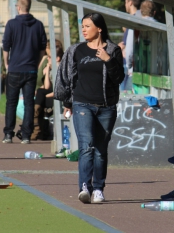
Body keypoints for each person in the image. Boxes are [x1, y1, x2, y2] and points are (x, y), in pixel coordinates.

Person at [54, 12, 125, 204]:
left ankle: (99, 189)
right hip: (82, 104)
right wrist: (67, 103)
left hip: (106, 107)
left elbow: (119, 78)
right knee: (86, 145)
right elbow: (66, 77)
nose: (84, 30)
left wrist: (108, 60)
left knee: (101, 150)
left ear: (99, 28)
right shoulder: (76, 50)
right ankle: (85, 186)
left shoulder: (112, 49)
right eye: (82, 26)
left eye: (87, 26)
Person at [2, 0, 47, 144]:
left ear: (19, 7)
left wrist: (6, 64)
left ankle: (8, 134)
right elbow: (42, 49)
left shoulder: (11, 24)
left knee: (11, 102)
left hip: (15, 69)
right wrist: (37, 64)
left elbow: (6, 47)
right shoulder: (38, 25)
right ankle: (26, 135)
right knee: (29, 103)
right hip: (31, 70)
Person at [31, 41, 64, 140]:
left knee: (41, 95)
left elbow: (58, 90)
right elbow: (46, 87)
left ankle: (37, 127)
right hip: (50, 93)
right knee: (41, 92)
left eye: (49, 57)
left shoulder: (61, 69)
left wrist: (46, 95)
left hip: (58, 95)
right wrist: (47, 71)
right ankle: (37, 126)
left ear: (57, 58)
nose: (47, 58)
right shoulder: (50, 67)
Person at [118, 0, 142, 91]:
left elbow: (133, 42)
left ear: (130, 3)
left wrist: (124, 50)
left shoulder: (134, 20)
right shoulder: (138, 18)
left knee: (125, 92)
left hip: (129, 64)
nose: (125, 5)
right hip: (130, 63)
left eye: (125, 2)